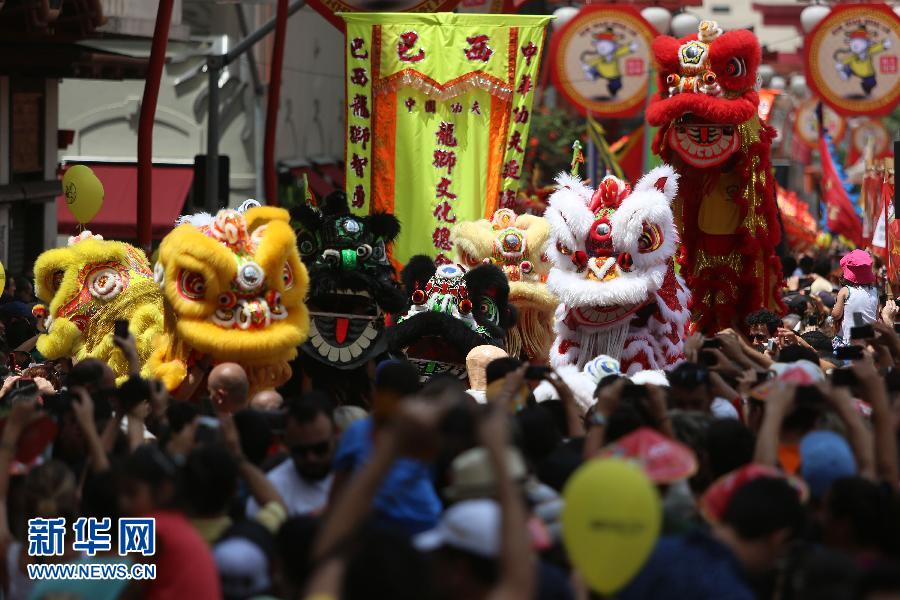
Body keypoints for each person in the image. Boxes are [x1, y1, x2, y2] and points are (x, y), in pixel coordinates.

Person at [246, 393, 336, 518]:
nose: (311, 458)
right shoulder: (271, 489)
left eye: (320, 449)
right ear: (286, 444)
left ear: (336, 434)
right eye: (300, 451)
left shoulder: (356, 477)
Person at [833, 249, 878, 344]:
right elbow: (876, 316)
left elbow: (836, 315)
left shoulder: (845, 291)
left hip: (849, 341)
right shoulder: (875, 292)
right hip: (869, 342)